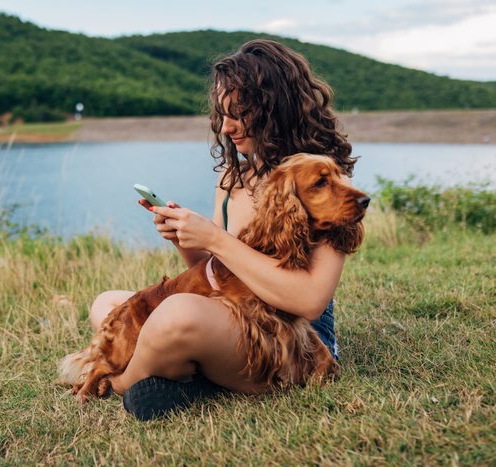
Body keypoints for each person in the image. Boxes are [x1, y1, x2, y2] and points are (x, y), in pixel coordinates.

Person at [89, 39, 357, 420]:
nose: (227, 127)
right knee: (108, 304)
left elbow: (310, 300)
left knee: (176, 315)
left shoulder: (323, 183)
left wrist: (216, 238)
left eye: (239, 113)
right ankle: (193, 377)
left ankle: (121, 382)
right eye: (222, 114)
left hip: (289, 336)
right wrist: (187, 239)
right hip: (232, 316)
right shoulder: (232, 180)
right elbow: (219, 272)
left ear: (274, 108)